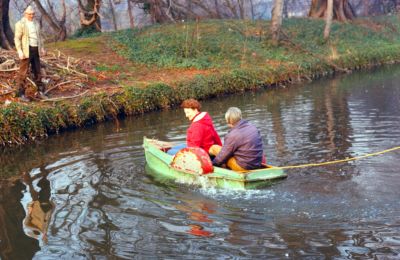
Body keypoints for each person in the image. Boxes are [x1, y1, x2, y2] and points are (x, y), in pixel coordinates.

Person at [210, 107, 264, 171]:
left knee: (214, 148)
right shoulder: (253, 127)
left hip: (244, 167)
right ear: (240, 116)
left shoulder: (233, 135)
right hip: (257, 164)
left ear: (228, 121)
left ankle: (214, 166)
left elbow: (222, 156)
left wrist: (213, 165)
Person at [14, 5, 47, 101]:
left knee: (38, 71)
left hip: (36, 50)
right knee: (23, 73)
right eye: (29, 14)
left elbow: (40, 37)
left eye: (33, 14)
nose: (31, 16)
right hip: (26, 50)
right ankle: (21, 94)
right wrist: (20, 51)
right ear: (25, 14)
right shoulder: (20, 24)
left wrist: (42, 48)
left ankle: (40, 92)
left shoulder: (36, 23)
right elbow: (17, 38)